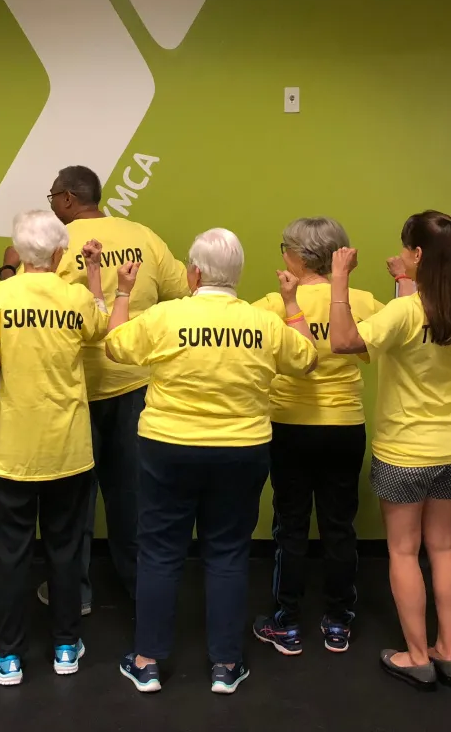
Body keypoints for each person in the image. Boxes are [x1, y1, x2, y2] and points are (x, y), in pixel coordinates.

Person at [105, 228, 318, 696]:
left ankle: (146, 662)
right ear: (237, 275)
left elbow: (116, 346)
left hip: (168, 447)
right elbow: (306, 358)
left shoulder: (165, 316)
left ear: (194, 272)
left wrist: (122, 292)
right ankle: (225, 665)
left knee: (159, 551)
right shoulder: (263, 323)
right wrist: (292, 303)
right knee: (227, 553)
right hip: (241, 451)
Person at [2, 166, 188, 614]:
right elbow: (184, 294)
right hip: (134, 385)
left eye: (52, 197)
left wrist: (9, 265)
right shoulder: (144, 236)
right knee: (132, 495)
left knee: (73, 501)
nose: (51, 205)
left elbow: (20, 300)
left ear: (67, 199)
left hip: (72, 390)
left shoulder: (57, 247)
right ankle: (139, 587)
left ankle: (75, 593)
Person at [328, 211, 451, 692]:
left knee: (403, 550)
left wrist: (340, 281)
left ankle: (417, 655)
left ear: (419, 255)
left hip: (403, 451)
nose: (399, 255)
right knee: (443, 548)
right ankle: (449, 651)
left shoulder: (403, 313)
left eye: (405, 250)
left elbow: (343, 341)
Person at [0, 210, 108, 687]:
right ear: (60, 253)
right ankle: (66, 645)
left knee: (12, 554)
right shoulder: (77, 296)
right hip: (67, 449)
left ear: (19, 253)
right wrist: (99, 281)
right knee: (65, 551)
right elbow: (101, 328)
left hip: (12, 450)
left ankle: (10, 655)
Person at [251, 218, 384, 656]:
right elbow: (382, 348)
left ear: (296, 255)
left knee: (289, 525)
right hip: (344, 427)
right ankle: (339, 622)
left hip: (289, 426)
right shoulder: (362, 301)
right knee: (339, 526)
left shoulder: (272, 304)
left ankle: (286, 621)